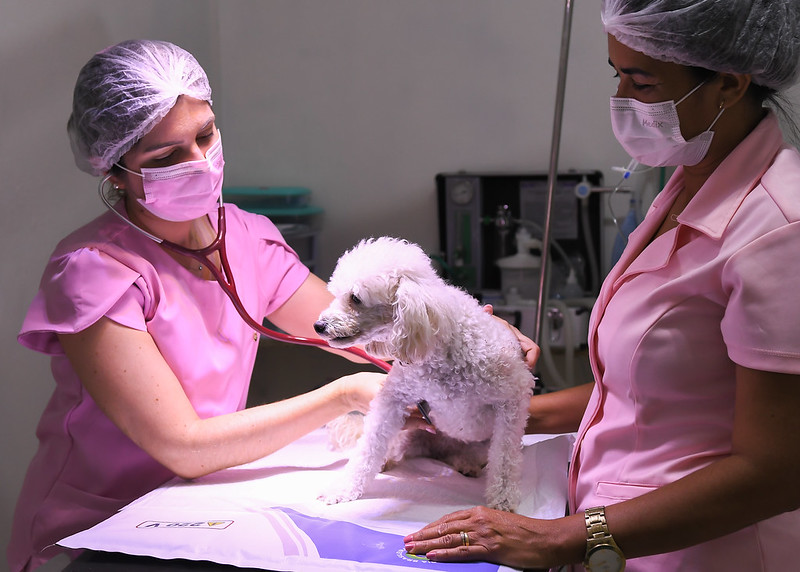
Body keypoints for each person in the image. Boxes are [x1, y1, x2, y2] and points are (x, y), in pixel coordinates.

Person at [7, 39, 539, 572]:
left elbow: (357, 334)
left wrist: (461, 340)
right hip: (102, 527)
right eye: (167, 157)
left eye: (205, 135)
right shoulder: (92, 271)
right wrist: (343, 395)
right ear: (113, 171)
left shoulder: (243, 236)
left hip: (204, 504)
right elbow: (183, 446)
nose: (199, 162)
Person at [404, 1, 800, 570]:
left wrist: (559, 538)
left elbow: (777, 471)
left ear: (730, 85)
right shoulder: (685, 188)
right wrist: (503, 408)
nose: (622, 102)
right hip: (623, 543)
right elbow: (655, 392)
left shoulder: (778, 228)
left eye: (642, 82)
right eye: (617, 75)